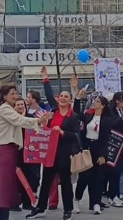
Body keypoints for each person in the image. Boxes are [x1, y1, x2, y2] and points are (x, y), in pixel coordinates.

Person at [26, 72, 83, 220]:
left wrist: (62, 132)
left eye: (66, 96)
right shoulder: (53, 111)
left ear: (70, 100)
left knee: (65, 182)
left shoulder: (73, 116)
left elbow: (76, 136)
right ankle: (40, 208)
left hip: (64, 152)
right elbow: (49, 94)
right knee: (46, 180)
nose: (63, 98)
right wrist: (45, 78)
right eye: (61, 96)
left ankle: (68, 210)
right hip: (50, 151)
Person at [0, 85, 51, 220]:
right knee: (4, 185)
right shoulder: (5, 109)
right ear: (4, 96)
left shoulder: (8, 109)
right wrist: (38, 120)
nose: (15, 95)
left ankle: (5, 215)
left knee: (7, 185)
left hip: (9, 150)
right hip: (5, 150)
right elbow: (20, 120)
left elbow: (21, 120)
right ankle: (3, 217)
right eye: (12, 93)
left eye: (16, 93)